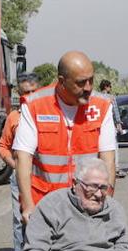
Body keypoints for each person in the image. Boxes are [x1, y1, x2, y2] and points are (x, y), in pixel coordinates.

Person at [13, 51, 117, 226]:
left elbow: (108, 160)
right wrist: (28, 205)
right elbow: (23, 158)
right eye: (81, 82)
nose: (88, 87)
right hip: (44, 206)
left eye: (91, 80)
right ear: (61, 81)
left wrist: (107, 201)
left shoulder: (102, 106)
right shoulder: (35, 105)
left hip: (86, 206)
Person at [0, 73, 40, 251]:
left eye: (33, 92)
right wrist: (16, 166)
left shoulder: (48, 115)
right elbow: (2, 146)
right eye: (25, 93)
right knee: (20, 219)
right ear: (19, 93)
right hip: (19, 178)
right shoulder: (14, 117)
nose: (29, 96)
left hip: (44, 175)